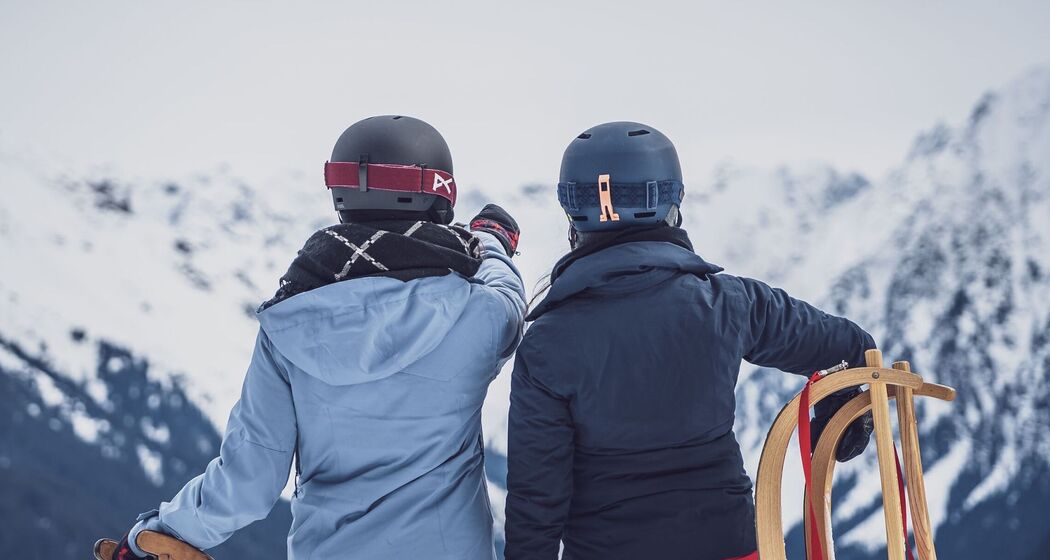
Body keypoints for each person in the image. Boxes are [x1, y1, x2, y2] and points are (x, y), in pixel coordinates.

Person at [112, 116, 526, 560]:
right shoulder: (477, 314)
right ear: (440, 197)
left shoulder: (288, 324)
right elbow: (509, 295)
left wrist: (160, 532)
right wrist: (490, 241)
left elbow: (247, 483)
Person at [503, 122, 875, 560]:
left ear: (574, 214)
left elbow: (535, 502)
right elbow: (852, 347)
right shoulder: (729, 303)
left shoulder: (547, 343)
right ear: (670, 204)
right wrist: (842, 412)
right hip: (727, 546)